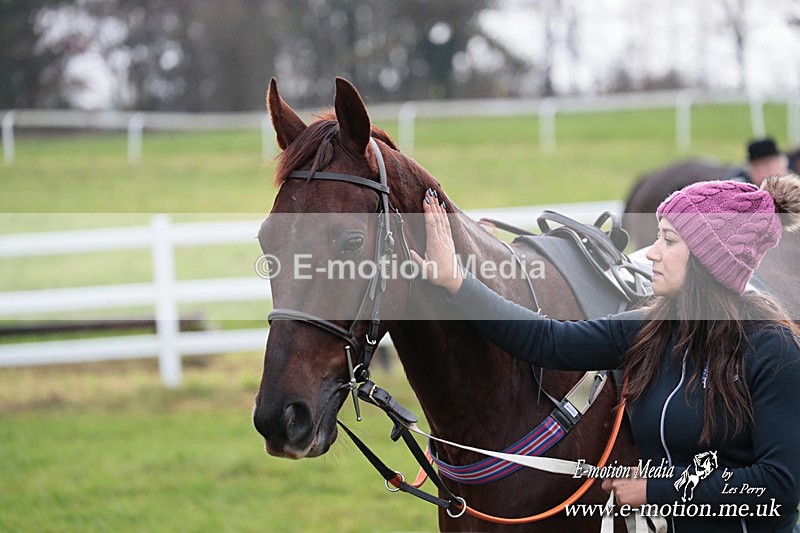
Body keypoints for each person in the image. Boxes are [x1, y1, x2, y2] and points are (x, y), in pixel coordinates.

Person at [410, 175, 800, 532]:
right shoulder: (648, 329)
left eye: (669, 240)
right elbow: (547, 341)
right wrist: (458, 283)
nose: (651, 254)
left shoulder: (773, 349)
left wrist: (655, 491)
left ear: (707, 259)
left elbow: (780, 486)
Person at [726, 136, 790, 186]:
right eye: (759, 166)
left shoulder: (792, 183)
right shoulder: (740, 185)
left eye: (770, 164)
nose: (766, 171)